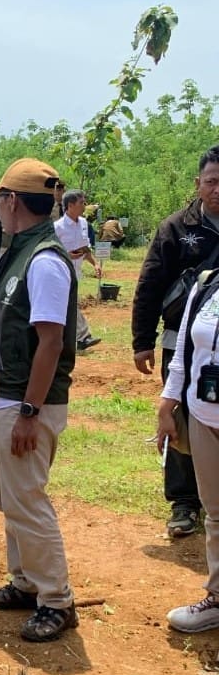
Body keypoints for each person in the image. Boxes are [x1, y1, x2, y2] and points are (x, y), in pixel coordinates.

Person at [0, 158, 80, 642]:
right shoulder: (22, 253)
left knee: (27, 499)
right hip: (7, 399)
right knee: (11, 498)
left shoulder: (43, 260)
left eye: (1, 199)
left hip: (25, 403)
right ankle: (26, 582)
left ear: (12, 202)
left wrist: (29, 413)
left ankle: (56, 599)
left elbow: (51, 343)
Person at [132, 146, 219, 538]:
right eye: (212, 181)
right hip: (183, 343)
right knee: (182, 419)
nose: (218, 189)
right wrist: (141, 340)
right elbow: (150, 284)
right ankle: (185, 502)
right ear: (198, 185)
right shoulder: (176, 229)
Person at [158, 271, 219, 632]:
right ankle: (217, 597)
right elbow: (183, 352)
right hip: (202, 415)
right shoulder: (208, 283)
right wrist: (168, 402)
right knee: (215, 514)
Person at [54, 189, 102, 352]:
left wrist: (94, 263)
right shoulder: (57, 227)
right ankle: (82, 336)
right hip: (60, 271)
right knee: (69, 303)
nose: (84, 206)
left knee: (65, 304)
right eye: (81, 203)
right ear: (70, 205)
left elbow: (84, 248)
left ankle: (67, 338)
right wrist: (66, 255)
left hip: (76, 272)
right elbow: (51, 250)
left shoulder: (83, 224)